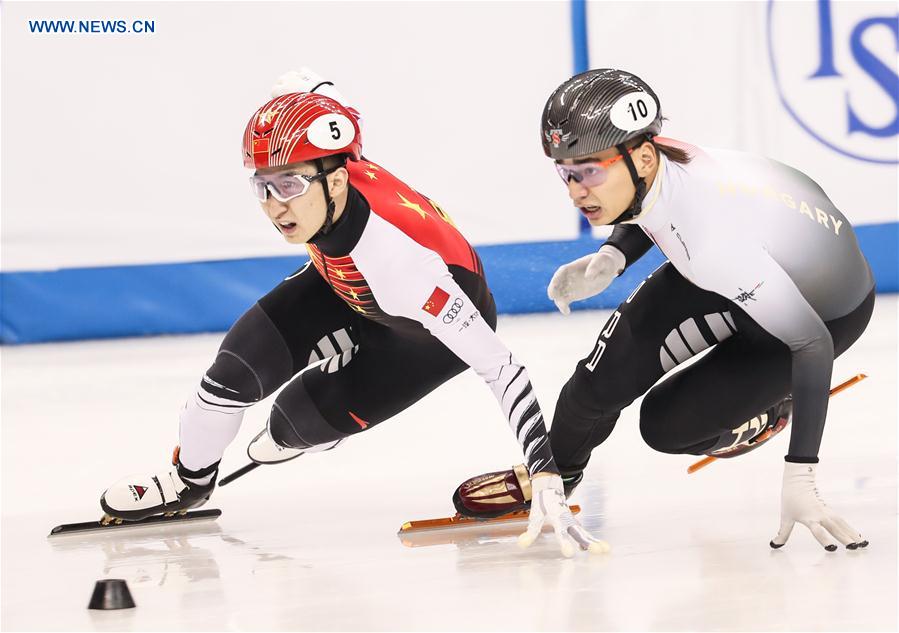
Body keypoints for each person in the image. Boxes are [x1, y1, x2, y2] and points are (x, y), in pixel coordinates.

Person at [100, 70, 607, 556]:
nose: (277, 206)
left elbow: (501, 367)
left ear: (337, 182)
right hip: (340, 283)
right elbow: (331, 106)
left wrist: (545, 473)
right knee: (230, 377)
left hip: (422, 340)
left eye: (292, 185)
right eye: (263, 187)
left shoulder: (402, 265)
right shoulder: (329, 161)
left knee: (290, 426)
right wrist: (297, 92)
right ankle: (188, 483)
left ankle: (305, 432)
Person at [454, 68, 873, 552]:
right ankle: (555, 478)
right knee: (592, 387)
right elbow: (648, 205)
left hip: (819, 313)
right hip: (752, 263)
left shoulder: (713, 240)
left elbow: (811, 342)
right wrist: (612, 257)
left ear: (643, 157)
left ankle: (769, 412)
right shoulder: (657, 158)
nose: (574, 191)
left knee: (669, 428)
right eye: (565, 172)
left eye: (588, 172)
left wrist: (801, 472)